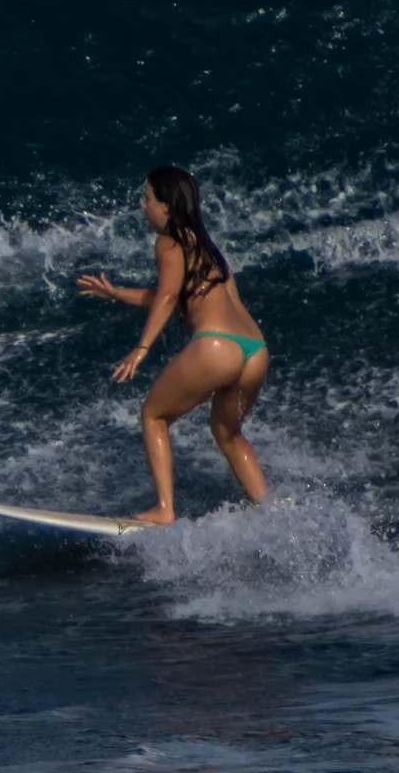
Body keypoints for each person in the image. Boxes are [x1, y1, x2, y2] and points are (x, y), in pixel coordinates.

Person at [77, 166, 268, 524]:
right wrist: (117, 292)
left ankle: (164, 509)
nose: (143, 206)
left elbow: (166, 295)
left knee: (154, 415)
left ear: (166, 206)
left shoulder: (168, 241)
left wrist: (141, 348)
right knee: (228, 432)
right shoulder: (207, 247)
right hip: (254, 349)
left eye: (147, 198)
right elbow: (179, 295)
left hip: (216, 346)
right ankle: (266, 505)